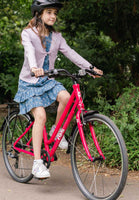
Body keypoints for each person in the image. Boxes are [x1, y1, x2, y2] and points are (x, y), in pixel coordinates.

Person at [14, 0, 103, 179]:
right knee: (40, 116)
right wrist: (33, 67)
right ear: (38, 14)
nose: (53, 16)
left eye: (54, 13)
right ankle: (37, 163)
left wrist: (90, 68)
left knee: (66, 98)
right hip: (30, 82)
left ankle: (57, 132)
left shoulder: (57, 37)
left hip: (47, 81)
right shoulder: (28, 34)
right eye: (49, 12)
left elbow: (70, 53)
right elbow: (30, 51)